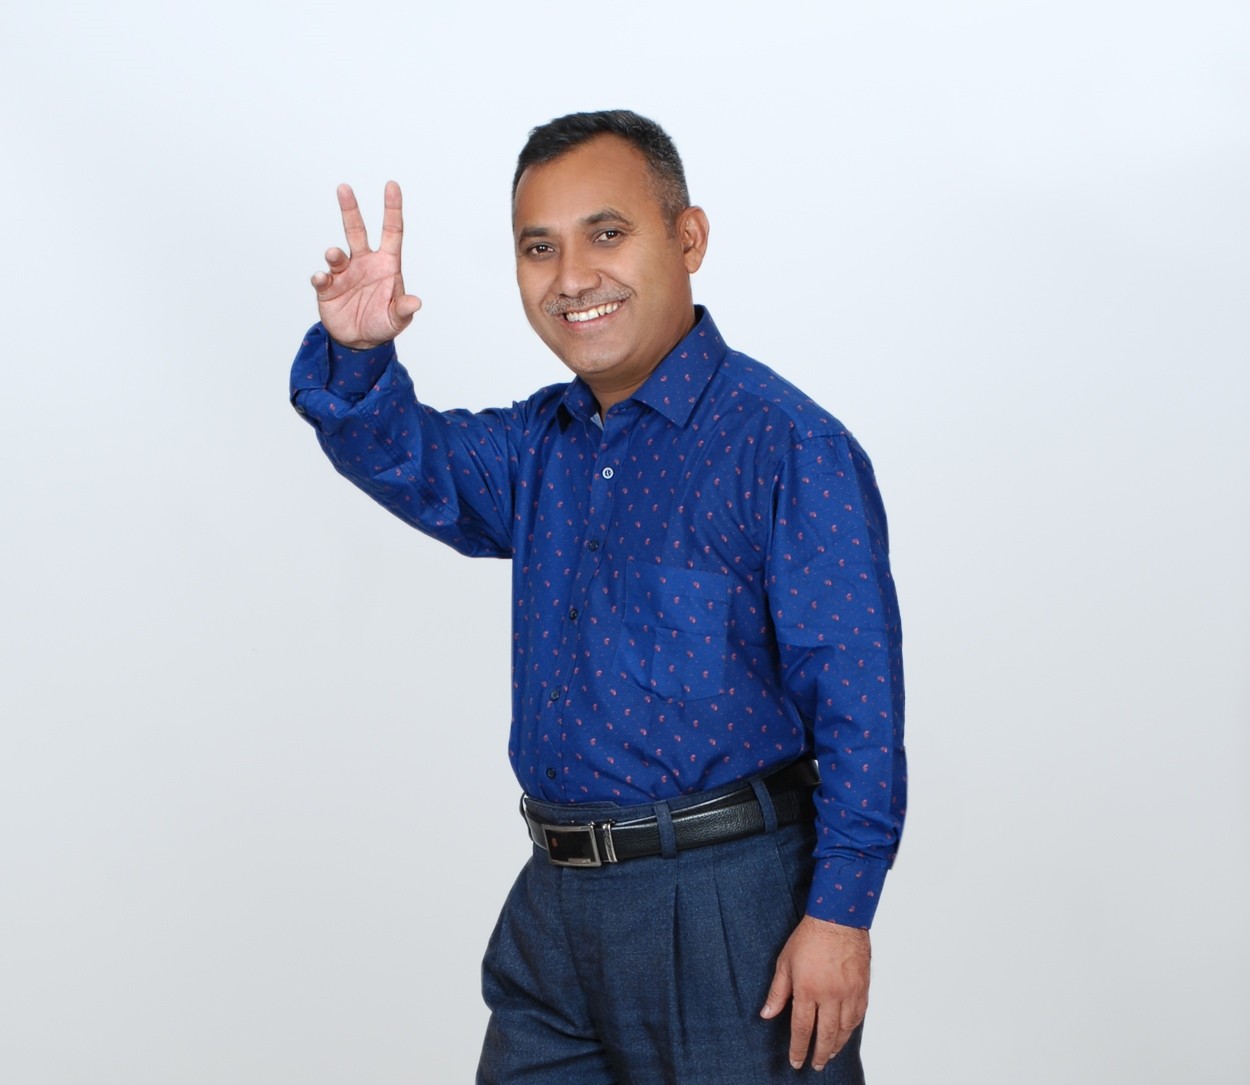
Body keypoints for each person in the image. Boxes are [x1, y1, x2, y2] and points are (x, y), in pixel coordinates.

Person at [290, 110, 905, 1084]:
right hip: (555, 909)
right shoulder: (539, 445)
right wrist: (359, 354)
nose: (572, 276)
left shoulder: (787, 447)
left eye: (606, 233)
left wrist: (840, 914)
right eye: (539, 247)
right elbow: (413, 460)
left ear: (687, 238)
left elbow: (859, 709)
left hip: (728, 912)